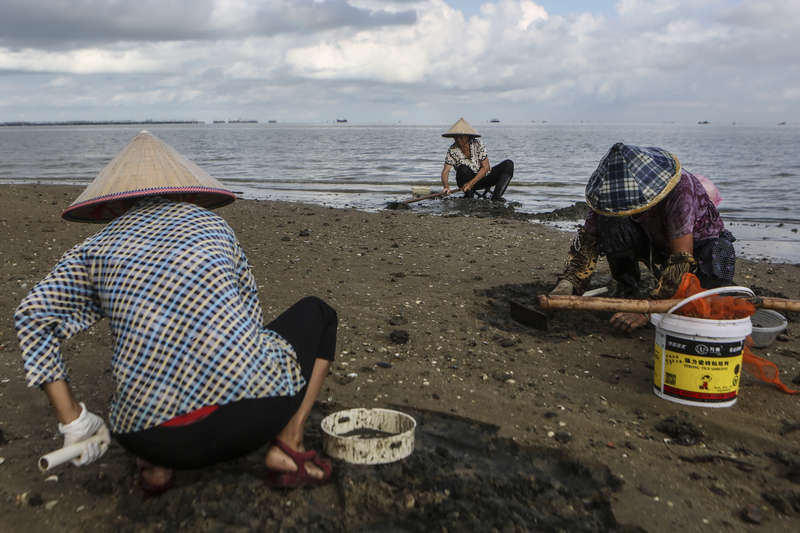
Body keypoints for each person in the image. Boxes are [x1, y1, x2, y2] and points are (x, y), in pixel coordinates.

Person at [15, 131, 337, 493]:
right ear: (182, 188)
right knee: (319, 313)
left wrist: (73, 421)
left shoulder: (94, 249)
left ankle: (155, 469)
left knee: (139, 375)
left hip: (150, 438)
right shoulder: (212, 225)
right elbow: (249, 321)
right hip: (254, 417)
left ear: (115, 201)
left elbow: (33, 317)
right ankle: (288, 447)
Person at [550, 142, 736, 332]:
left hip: (698, 247)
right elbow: (588, 242)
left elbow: (682, 258)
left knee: (716, 265)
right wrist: (568, 283)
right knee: (610, 223)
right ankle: (628, 286)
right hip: (651, 240)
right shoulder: (610, 194)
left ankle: (685, 294)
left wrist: (648, 311)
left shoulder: (680, 189)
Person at [440, 117, 514, 201]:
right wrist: (446, 186)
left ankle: (496, 197)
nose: (458, 140)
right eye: (456, 137)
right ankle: (469, 197)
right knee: (462, 168)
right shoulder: (452, 150)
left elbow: (486, 167)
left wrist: (471, 183)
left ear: (467, 137)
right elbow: (445, 171)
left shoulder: (477, 144)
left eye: (461, 137)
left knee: (508, 164)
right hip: (465, 181)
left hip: (482, 178)